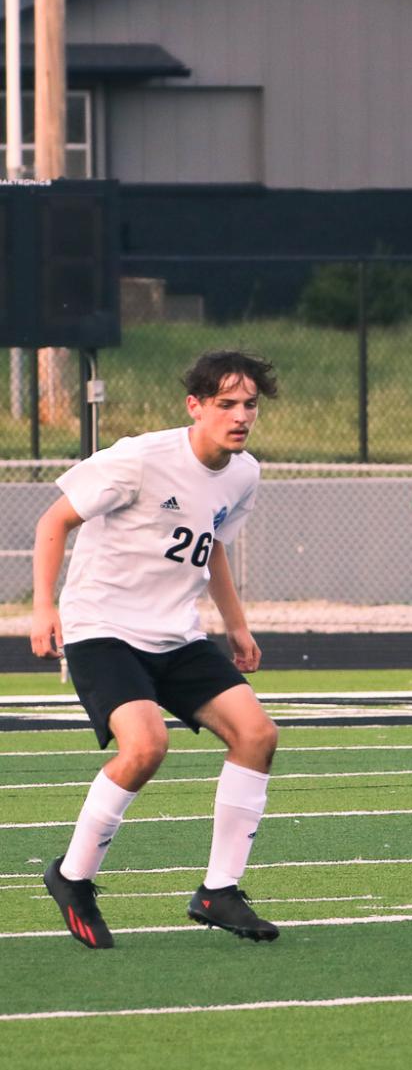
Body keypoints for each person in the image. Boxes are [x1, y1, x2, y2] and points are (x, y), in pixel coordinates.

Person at [31, 351, 283, 948]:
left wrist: (237, 626)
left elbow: (211, 545)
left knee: (258, 735)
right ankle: (73, 877)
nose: (241, 415)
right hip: (102, 627)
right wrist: (42, 607)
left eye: (249, 404)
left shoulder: (245, 472)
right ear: (194, 406)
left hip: (176, 633)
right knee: (146, 746)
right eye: (226, 404)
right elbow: (52, 522)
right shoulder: (140, 458)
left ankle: (218, 891)